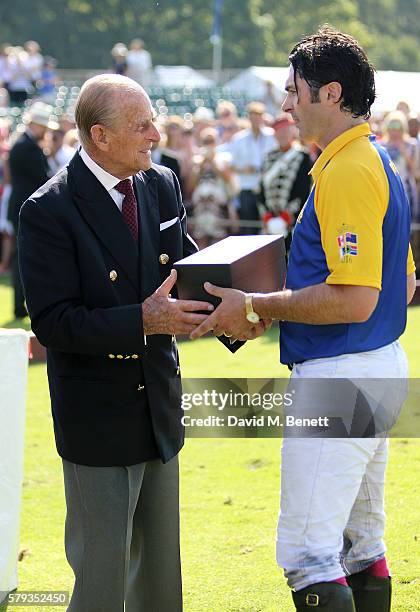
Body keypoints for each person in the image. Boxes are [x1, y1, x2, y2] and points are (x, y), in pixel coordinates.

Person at [190, 26, 416, 612]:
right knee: (361, 545)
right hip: (380, 365)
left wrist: (261, 305)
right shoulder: (378, 158)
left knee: (307, 554)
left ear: (331, 93)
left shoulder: (347, 168)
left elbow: (355, 297)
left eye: (294, 91)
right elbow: (406, 281)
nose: (285, 104)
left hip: (342, 371)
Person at [18, 74, 245, 612]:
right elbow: (53, 323)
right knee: (103, 583)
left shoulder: (159, 183)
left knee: (162, 584)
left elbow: (187, 274)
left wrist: (239, 317)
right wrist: (140, 321)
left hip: (159, 410)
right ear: (99, 135)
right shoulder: (47, 210)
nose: (155, 132)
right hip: (97, 420)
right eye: (142, 124)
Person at [8, 101, 54, 317]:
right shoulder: (26, 147)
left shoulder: (23, 143)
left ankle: (22, 305)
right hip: (24, 209)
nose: (46, 130)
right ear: (35, 124)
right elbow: (43, 180)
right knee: (23, 259)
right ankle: (20, 306)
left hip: (22, 208)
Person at [260, 113, 312, 252]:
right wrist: (267, 215)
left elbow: (303, 189)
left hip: (294, 219)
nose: (282, 135)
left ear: (292, 132)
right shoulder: (268, 157)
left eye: (285, 131)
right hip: (271, 219)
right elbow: (261, 188)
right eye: (279, 131)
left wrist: (288, 215)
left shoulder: (302, 156)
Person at [228, 101, 275, 234]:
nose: (255, 118)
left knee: (270, 227)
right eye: (252, 115)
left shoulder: (272, 136)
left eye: (258, 114)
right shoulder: (238, 139)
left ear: (263, 116)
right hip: (247, 188)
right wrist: (245, 169)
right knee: (249, 228)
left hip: (267, 187)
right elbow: (232, 166)